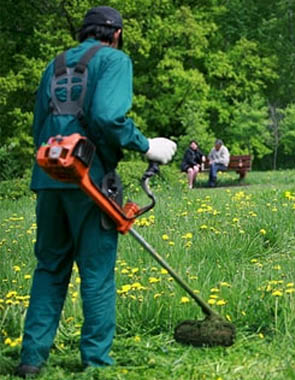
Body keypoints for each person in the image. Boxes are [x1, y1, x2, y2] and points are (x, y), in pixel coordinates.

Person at [17, 6, 177, 377]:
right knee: (96, 272)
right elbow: (107, 116)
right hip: (90, 180)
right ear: (116, 34)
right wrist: (145, 144)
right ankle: (96, 362)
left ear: (83, 32)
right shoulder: (114, 60)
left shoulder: (54, 65)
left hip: (49, 175)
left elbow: (38, 126)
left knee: (49, 267)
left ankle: (31, 359)